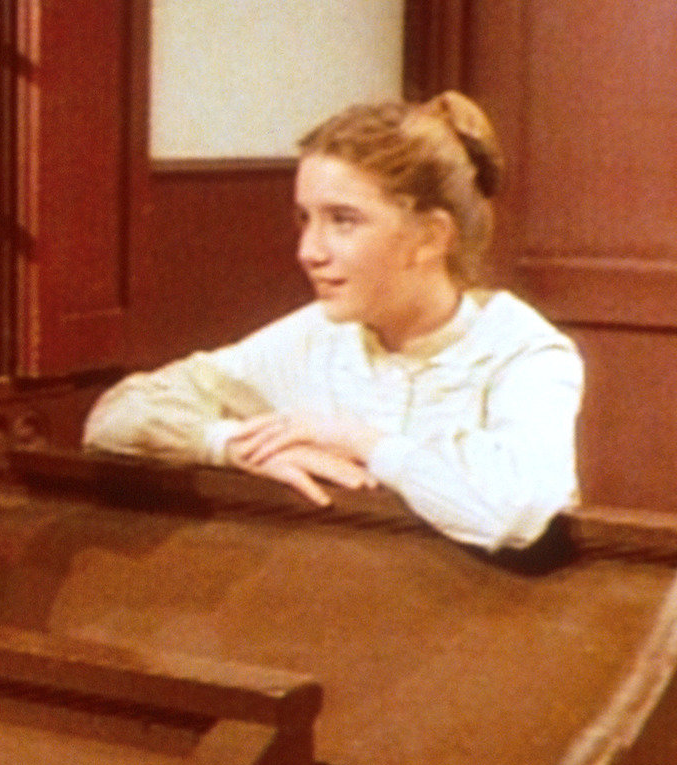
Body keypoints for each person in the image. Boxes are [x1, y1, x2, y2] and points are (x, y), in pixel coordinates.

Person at [83, 91, 583, 552]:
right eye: (305, 219)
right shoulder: (315, 336)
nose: (308, 251)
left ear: (431, 237)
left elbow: (511, 511)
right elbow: (116, 417)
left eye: (343, 220)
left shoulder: (526, 353)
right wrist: (233, 445)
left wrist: (359, 440)